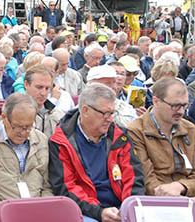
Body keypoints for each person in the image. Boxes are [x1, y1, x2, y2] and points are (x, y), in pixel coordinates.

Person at [49, 83, 145, 222]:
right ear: (86, 110)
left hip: (121, 207)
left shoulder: (120, 136)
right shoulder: (61, 141)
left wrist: (128, 208)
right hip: (86, 211)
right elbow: (66, 187)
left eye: (112, 113)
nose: (110, 119)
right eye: (105, 113)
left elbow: (134, 176)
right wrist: (99, 212)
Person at [0, 93, 52, 217]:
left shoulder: (40, 140)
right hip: (3, 214)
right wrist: (11, 215)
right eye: (18, 127)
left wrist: (43, 210)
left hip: (39, 213)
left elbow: (47, 187)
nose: (24, 133)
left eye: (29, 127)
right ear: (4, 118)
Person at [128, 77, 195, 197]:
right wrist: (169, 195)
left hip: (188, 198)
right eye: (175, 106)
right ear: (156, 101)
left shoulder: (190, 130)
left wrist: (181, 187)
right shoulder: (136, 130)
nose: (181, 111)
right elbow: (145, 178)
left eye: (184, 105)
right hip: (155, 201)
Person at [24, 65, 65, 137]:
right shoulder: (16, 113)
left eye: (47, 88)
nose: (43, 93)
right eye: (39, 87)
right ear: (26, 84)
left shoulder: (58, 115)